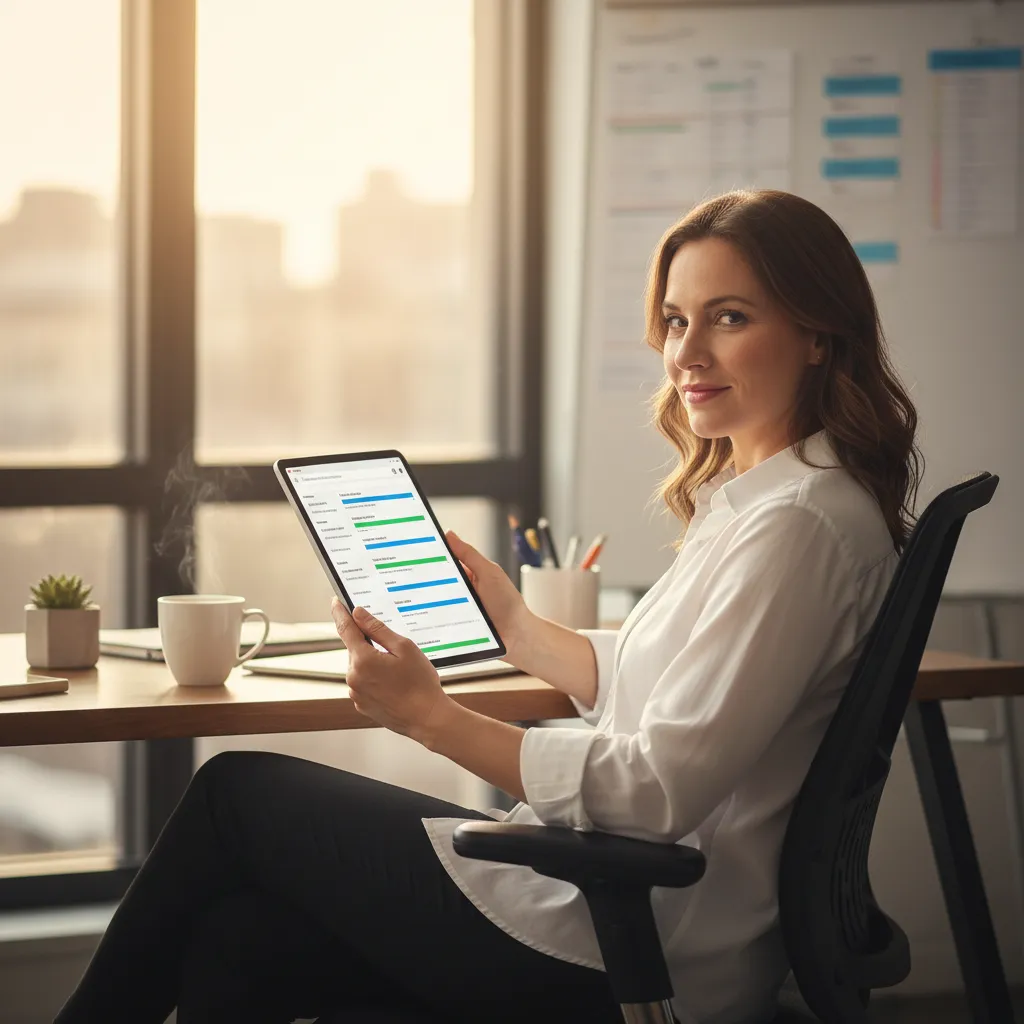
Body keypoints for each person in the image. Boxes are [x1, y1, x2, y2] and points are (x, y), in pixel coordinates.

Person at [55, 190, 919, 1024]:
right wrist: (520, 631)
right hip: (624, 912)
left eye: (728, 317)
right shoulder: (778, 502)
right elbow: (676, 688)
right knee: (239, 941)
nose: (687, 352)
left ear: (817, 333)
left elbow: (656, 789)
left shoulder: (796, 526)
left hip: (633, 941)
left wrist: (430, 718)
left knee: (233, 794)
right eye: (675, 320)